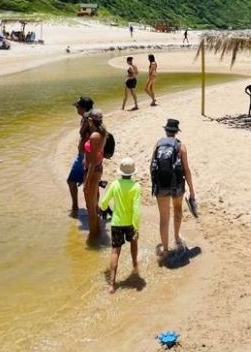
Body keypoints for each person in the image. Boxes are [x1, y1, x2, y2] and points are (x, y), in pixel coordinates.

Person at [149, 117, 197, 260]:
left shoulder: (158, 144)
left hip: (161, 186)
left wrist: (155, 183)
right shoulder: (181, 146)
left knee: (164, 218)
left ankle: (164, 250)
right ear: (176, 132)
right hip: (177, 185)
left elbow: (151, 165)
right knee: (177, 211)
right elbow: (187, 170)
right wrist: (192, 190)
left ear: (165, 130)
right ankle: (176, 238)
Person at [101, 157, 145, 292]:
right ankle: (135, 266)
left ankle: (112, 284)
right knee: (134, 243)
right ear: (132, 173)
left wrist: (104, 210)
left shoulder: (114, 184)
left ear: (121, 172)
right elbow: (137, 210)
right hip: (130, 223)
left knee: (115, 251)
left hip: (116, 223)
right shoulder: (136, 187)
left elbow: (103, 202)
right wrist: (136, 227)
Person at [82, 111, 109, 239]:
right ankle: (97, 233)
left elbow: (92, 161)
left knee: (91, 208)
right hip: (96, 170)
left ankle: (93, 239)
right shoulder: (102, 133)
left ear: (91, 121)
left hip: (92, 172)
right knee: (93, 205)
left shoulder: (94, 136)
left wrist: (86, 180)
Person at [68, 97, 93, 218]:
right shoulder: (93, 118)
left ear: (83, 108)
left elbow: (84, 135)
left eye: (77, 107)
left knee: (72, 181)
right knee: (89, 183)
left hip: (84, 156)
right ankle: (92, 208)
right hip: (89, 155)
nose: (76, 109)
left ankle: (75, 208)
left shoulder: (86, 120)